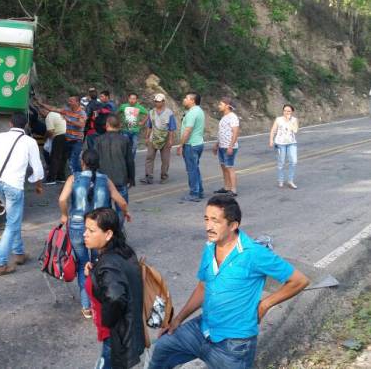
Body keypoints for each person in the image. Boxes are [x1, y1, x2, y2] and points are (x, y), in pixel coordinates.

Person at [148, 195, 309, 369]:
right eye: (206, 219)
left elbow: (299, 281)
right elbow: (203, 286)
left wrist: (265, 304)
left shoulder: (253, 254)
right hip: (203, 329)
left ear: (233, 225)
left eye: (215, 221)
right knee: (162, 347)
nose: (208, 226)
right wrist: (178, 319)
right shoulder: (210, 246)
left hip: (234, 345)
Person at [58, 150, 130, 319]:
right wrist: (125, 213)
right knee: (100, 265)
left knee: (83, 264)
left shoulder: (73, 178)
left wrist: (64, 215)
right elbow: (122, 202)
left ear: (82, 162)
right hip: (100, 227)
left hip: (77, 226)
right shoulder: (106, 180)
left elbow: (62, 199)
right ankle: (100, 303)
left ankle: (86, 306)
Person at [0, 112, 44, 276]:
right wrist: (37, 186)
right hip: (15, 187)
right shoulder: (30, 142)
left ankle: (19, 253)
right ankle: (0, 264)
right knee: (11, 225)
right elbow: (37, 170)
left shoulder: (0, 137)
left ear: (10, 123)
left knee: (13, 220)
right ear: (26, 126)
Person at [84, 208, 145, 369]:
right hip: (126, 332)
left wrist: (107, 321)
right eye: (86, 229)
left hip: (115, 336)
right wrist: (94, 271)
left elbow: (116, 297)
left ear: (108, 234)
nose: (85, 234)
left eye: (91, 230)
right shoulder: (123, 253)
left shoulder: (108, 265)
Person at [94, 116, 135, 216]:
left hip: (103, 179)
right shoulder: (124, 140)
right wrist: (131, 178)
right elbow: (130, 161)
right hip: (121, 178)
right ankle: (118, 229)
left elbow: (93, 160)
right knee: (121, 209)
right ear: (119, 126)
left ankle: (108, 229)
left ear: (107, 125)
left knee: (104, 211)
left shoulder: (98, 140)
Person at [40, 96, 87, 174]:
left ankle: (78, 177)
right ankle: (62, 177)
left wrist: (69, 120)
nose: (69, 102)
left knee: (74, 159)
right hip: (66, 139)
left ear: (77, 102)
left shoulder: (82, 113)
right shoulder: (67, 110)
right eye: (69, 101)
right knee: (63, 159)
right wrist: (41, 104)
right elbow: (53, 108)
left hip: (77, 140)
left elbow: (81, 124)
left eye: (71, 101)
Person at [141, 94, 176, 185]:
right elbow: (149, 126)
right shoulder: (151, 112)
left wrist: (171, 140)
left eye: (159, 101)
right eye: (156, 101)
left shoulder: (169, 113)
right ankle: (148, 176)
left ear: (163, 102)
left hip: (165, 138)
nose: (157, 103)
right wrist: (147, 137)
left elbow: (171, 128)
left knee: (165, 159)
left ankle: (164, 176)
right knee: (149, 157)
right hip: (153, 138)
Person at [176, 92, 205, 202]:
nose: (184, 99)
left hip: (191, 145)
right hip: (197, 143)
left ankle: (194, 193)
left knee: (192, 170)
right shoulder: (199, 111)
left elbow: (188, 130)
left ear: (192, 100)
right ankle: (199, 191)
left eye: (186, 98)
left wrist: (181, 145)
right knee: (195, 168)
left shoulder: (193, 112)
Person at [213, 97, 240, 196]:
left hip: (229, 146)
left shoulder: (233, 117)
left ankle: (233, 190)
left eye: (221, 104)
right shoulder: (224, 117)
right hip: (222, 146)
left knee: (229, 167)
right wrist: (216, 144)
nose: (219, 106)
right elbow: (221, 132)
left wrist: (231, 146)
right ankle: (226, 187)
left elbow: (235, 132)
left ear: (227, 106)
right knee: (224, 167)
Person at [269, 104, 299, 189]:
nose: (286, 112)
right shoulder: (278, 119)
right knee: (281, 163)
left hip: (291, 143)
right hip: (280, 144)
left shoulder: (294, 120)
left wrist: (289, 121)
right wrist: (271, 140)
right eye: (285, 110)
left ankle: (290, 180)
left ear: (292, 112)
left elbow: (295, 130)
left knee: (293, 162)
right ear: (283, 111)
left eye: (288, 111)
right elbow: (273, 130)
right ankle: (281, 180)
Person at [41, 106, 67, 185]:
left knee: (54, 158)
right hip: (66, 136)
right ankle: (61, 177)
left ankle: (51, 179)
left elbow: (50, 131)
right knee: (62, 158)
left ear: (45, 111)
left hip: (59, 137)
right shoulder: (57, 114)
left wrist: (45, 138)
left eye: (41, 112)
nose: (41, 115)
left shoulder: (49, 116)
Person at [117, 93, 148, 158]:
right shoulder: (123, 106)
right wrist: (119, 122)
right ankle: (125, 159)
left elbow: (148, 114)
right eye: (130, 98)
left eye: (134, 99)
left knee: (134, 146)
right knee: (125, 146)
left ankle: (131, 159)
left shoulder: (139, 107)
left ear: (136, 100)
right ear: (128, 99)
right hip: (125, 130)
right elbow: (117, 113)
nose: (132, 100)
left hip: (135, 131)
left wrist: (142, 122)